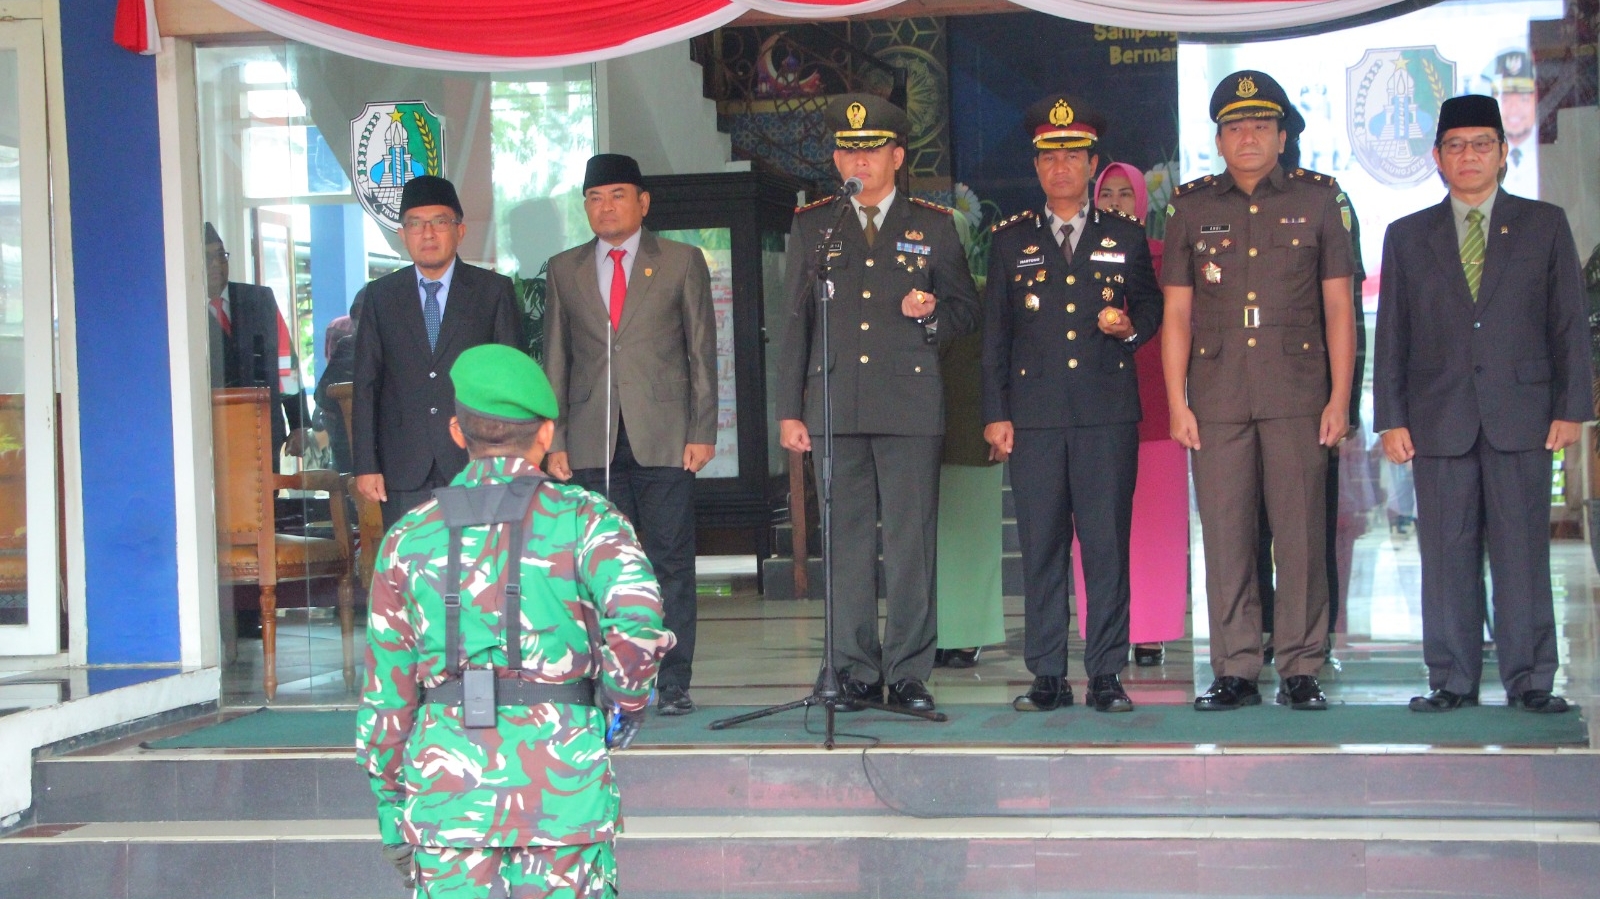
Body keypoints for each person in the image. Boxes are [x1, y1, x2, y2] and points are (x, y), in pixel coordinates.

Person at [356, 343, 674, 898]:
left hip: (447, 798)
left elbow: (387, 698)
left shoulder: (408, 538)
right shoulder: (588, 521)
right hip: (563, 793)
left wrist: (392, 811)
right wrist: (624, 703)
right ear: (546, 434)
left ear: (458, 433)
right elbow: (639, 621)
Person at [1374, 94, 1590, 714]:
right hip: (1438, 419)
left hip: (1523, 416)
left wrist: (1572, 406)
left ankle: (1531, 679)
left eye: (1481, 144)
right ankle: (1451, 679)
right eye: (1455, 146)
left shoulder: (1543, 225)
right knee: (1446, 555)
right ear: (1437, 157)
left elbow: (1568, 323)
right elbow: (1393, 334)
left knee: (1523, 553)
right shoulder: (1408, 236)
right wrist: (1391, 418)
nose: (1468, 156)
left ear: (1502, 154)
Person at [775, 93, 981, 713]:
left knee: (912, 546)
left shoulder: (934, 226)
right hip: (835, 406)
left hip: (909, 408)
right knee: (846, 545)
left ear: (897, 156)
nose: (857, 161)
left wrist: (932, 314)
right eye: (847, 151)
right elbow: (795, 323)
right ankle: (853, 670)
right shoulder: (814, 225)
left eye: (870, 150)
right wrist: (789, 410)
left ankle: (910, 673)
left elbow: (966, 312)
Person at [1161, 70, 1357, 712]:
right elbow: (1178, 314)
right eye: (1235, 128)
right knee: (1226, 536)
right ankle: (1236, 668)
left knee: (1301, 534)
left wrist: (1340, 398)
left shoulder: (1319, 200)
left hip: (1298, 392)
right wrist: (1177, 402)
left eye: (1261, 126)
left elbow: (1339, 308)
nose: (1248, 137)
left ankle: (1300, 666)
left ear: (1281, 136)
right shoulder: (1191, 207)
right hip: (1216, 395)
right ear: (1218, 140)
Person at [982, 94, 1162, 713]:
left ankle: (1106, 674)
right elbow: (996, 336)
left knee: (1106, 547)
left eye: (1072, 156)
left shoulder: (1125, 235)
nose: (1060, 167)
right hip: (1033, 419)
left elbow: (1151, 306)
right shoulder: (1011, 240)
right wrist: (996, 413)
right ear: (1036, 166)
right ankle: (1048, 675)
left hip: (1105, 414)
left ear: (1092, 164)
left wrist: (1129, 330)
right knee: (1042, 549)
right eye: (1048, 157)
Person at [541, 153, 717, 717]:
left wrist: (703, 428)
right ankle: (606, 678)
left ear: (643, 203)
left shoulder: (681, 261)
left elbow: (701, 353)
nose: (606, 207)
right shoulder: (564, 269)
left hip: (665, 435)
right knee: (596, 563)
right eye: (595, 198)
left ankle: (673, 680)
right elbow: (556, 359)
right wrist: (554, 438)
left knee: (669, 561)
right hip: (591, 438)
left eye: (617, 195)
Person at [352, 175, 523, 530]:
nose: (427, 233)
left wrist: (508, 461)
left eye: (439, 222)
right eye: (415, 224)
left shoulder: (492, 291)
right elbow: (366, 384)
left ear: (460, 231)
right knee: (411, 560)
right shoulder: (381, 296)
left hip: (474, 463)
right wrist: (366, 465)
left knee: (475, 560)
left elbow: (510, 384)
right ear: (402, 235)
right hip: (402, 465)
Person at [1074, 161, 1186, 669]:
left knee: (1154, 524)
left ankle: (1151, 630)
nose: (1116, 203)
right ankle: (1105, 630)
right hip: (1093, 406)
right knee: (1098, 525)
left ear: (1141, 201)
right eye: (1107, 194)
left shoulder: (1163, 256)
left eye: (1125, 194)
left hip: (1157, 406)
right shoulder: (1076, 252)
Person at [205, 222, 309, 463]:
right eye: (208, 258)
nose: (216, 264)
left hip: (264, 431)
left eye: (221, 256)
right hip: (215, 438)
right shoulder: (185, 315)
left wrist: (299, 423)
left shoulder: (259, 300)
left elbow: (286, 363)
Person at [1491, 49, 1539, 199]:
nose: (1513, 109)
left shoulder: (1559, 155)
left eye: (1523, 99)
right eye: (1505, 99)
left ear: (1536, 99)